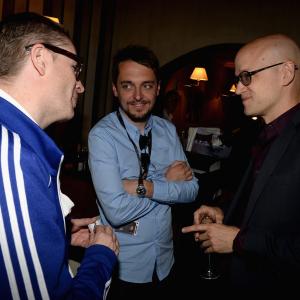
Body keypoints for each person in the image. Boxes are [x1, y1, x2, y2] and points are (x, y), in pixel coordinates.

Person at [0, 12, 119, 300]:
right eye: (76, 69)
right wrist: (101, 256)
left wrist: (57, 233)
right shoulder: (14, 156)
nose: (81, 85)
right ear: (40, 58)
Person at [182, 34, 300, 292]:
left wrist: (238, 240)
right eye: (238, 78)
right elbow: (263, 204)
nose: (239, 88)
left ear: (286, 73)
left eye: (247, 76)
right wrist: (226, 213)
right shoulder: (263, 133)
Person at [88, 45, 199, 299]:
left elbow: (192, 189)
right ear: (115, 89)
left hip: (165, 262)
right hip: (123, 267)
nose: (138, 95)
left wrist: (140, 187)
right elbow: (116, 212)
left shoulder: (168, 130)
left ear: (158, 88)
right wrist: (166, 183)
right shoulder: (101, 136)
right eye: (127, 85)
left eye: (147, 85)